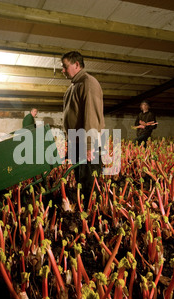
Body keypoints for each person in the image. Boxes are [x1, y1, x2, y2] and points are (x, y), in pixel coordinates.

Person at [61, 51, 105, 204]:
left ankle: (92, 209)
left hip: (87, 144)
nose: (63, 70)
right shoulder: (73, 87)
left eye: (65, 67)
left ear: (77, 64)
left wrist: (88, 145)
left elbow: (91, 115)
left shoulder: (88, 83)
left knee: (89, 182)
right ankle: (84, 207)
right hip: (76, 142)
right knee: (80, 178)